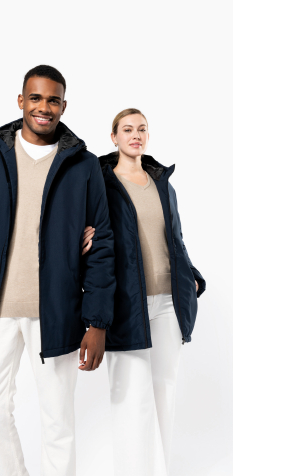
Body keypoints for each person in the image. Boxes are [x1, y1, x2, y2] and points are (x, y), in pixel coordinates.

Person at [0, 65, 116, 476]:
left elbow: (102, 246)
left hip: (57, 310)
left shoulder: (84, 165)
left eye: (53, 100)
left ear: (64, 106)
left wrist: (98, 322)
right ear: (21, 101)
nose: (44, 107)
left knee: (58, 422)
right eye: (35, 98)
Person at [96, 108, 206, 476]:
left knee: (163, 393)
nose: (135, 135)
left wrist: (190, 276)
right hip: (127, 302)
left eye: (141, 129)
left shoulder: (162, 183)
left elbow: (174, 238)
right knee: (130, 397)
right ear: (114, 137)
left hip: (169, 302)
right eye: (127, 129)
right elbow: (82, 227)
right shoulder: (101, 183)